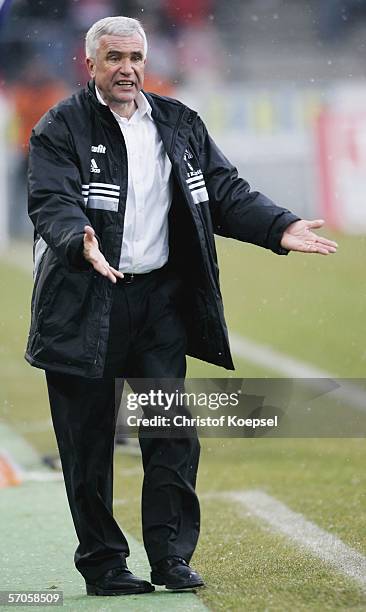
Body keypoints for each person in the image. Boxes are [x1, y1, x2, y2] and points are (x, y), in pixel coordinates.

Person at [25, 16, 338, 597]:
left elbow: (225, 191)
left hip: (158, 303)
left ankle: (170, 558)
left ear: (148, 60)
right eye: (114, 57)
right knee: (87, 443)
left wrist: (280, 226)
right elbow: (51, 200)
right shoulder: (60, 125)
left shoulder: (178, 122)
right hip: (83, 302)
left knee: (170, 434)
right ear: (89, 62)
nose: (127, 68)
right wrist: (79, 240)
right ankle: (105, 564)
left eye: (136, 57)